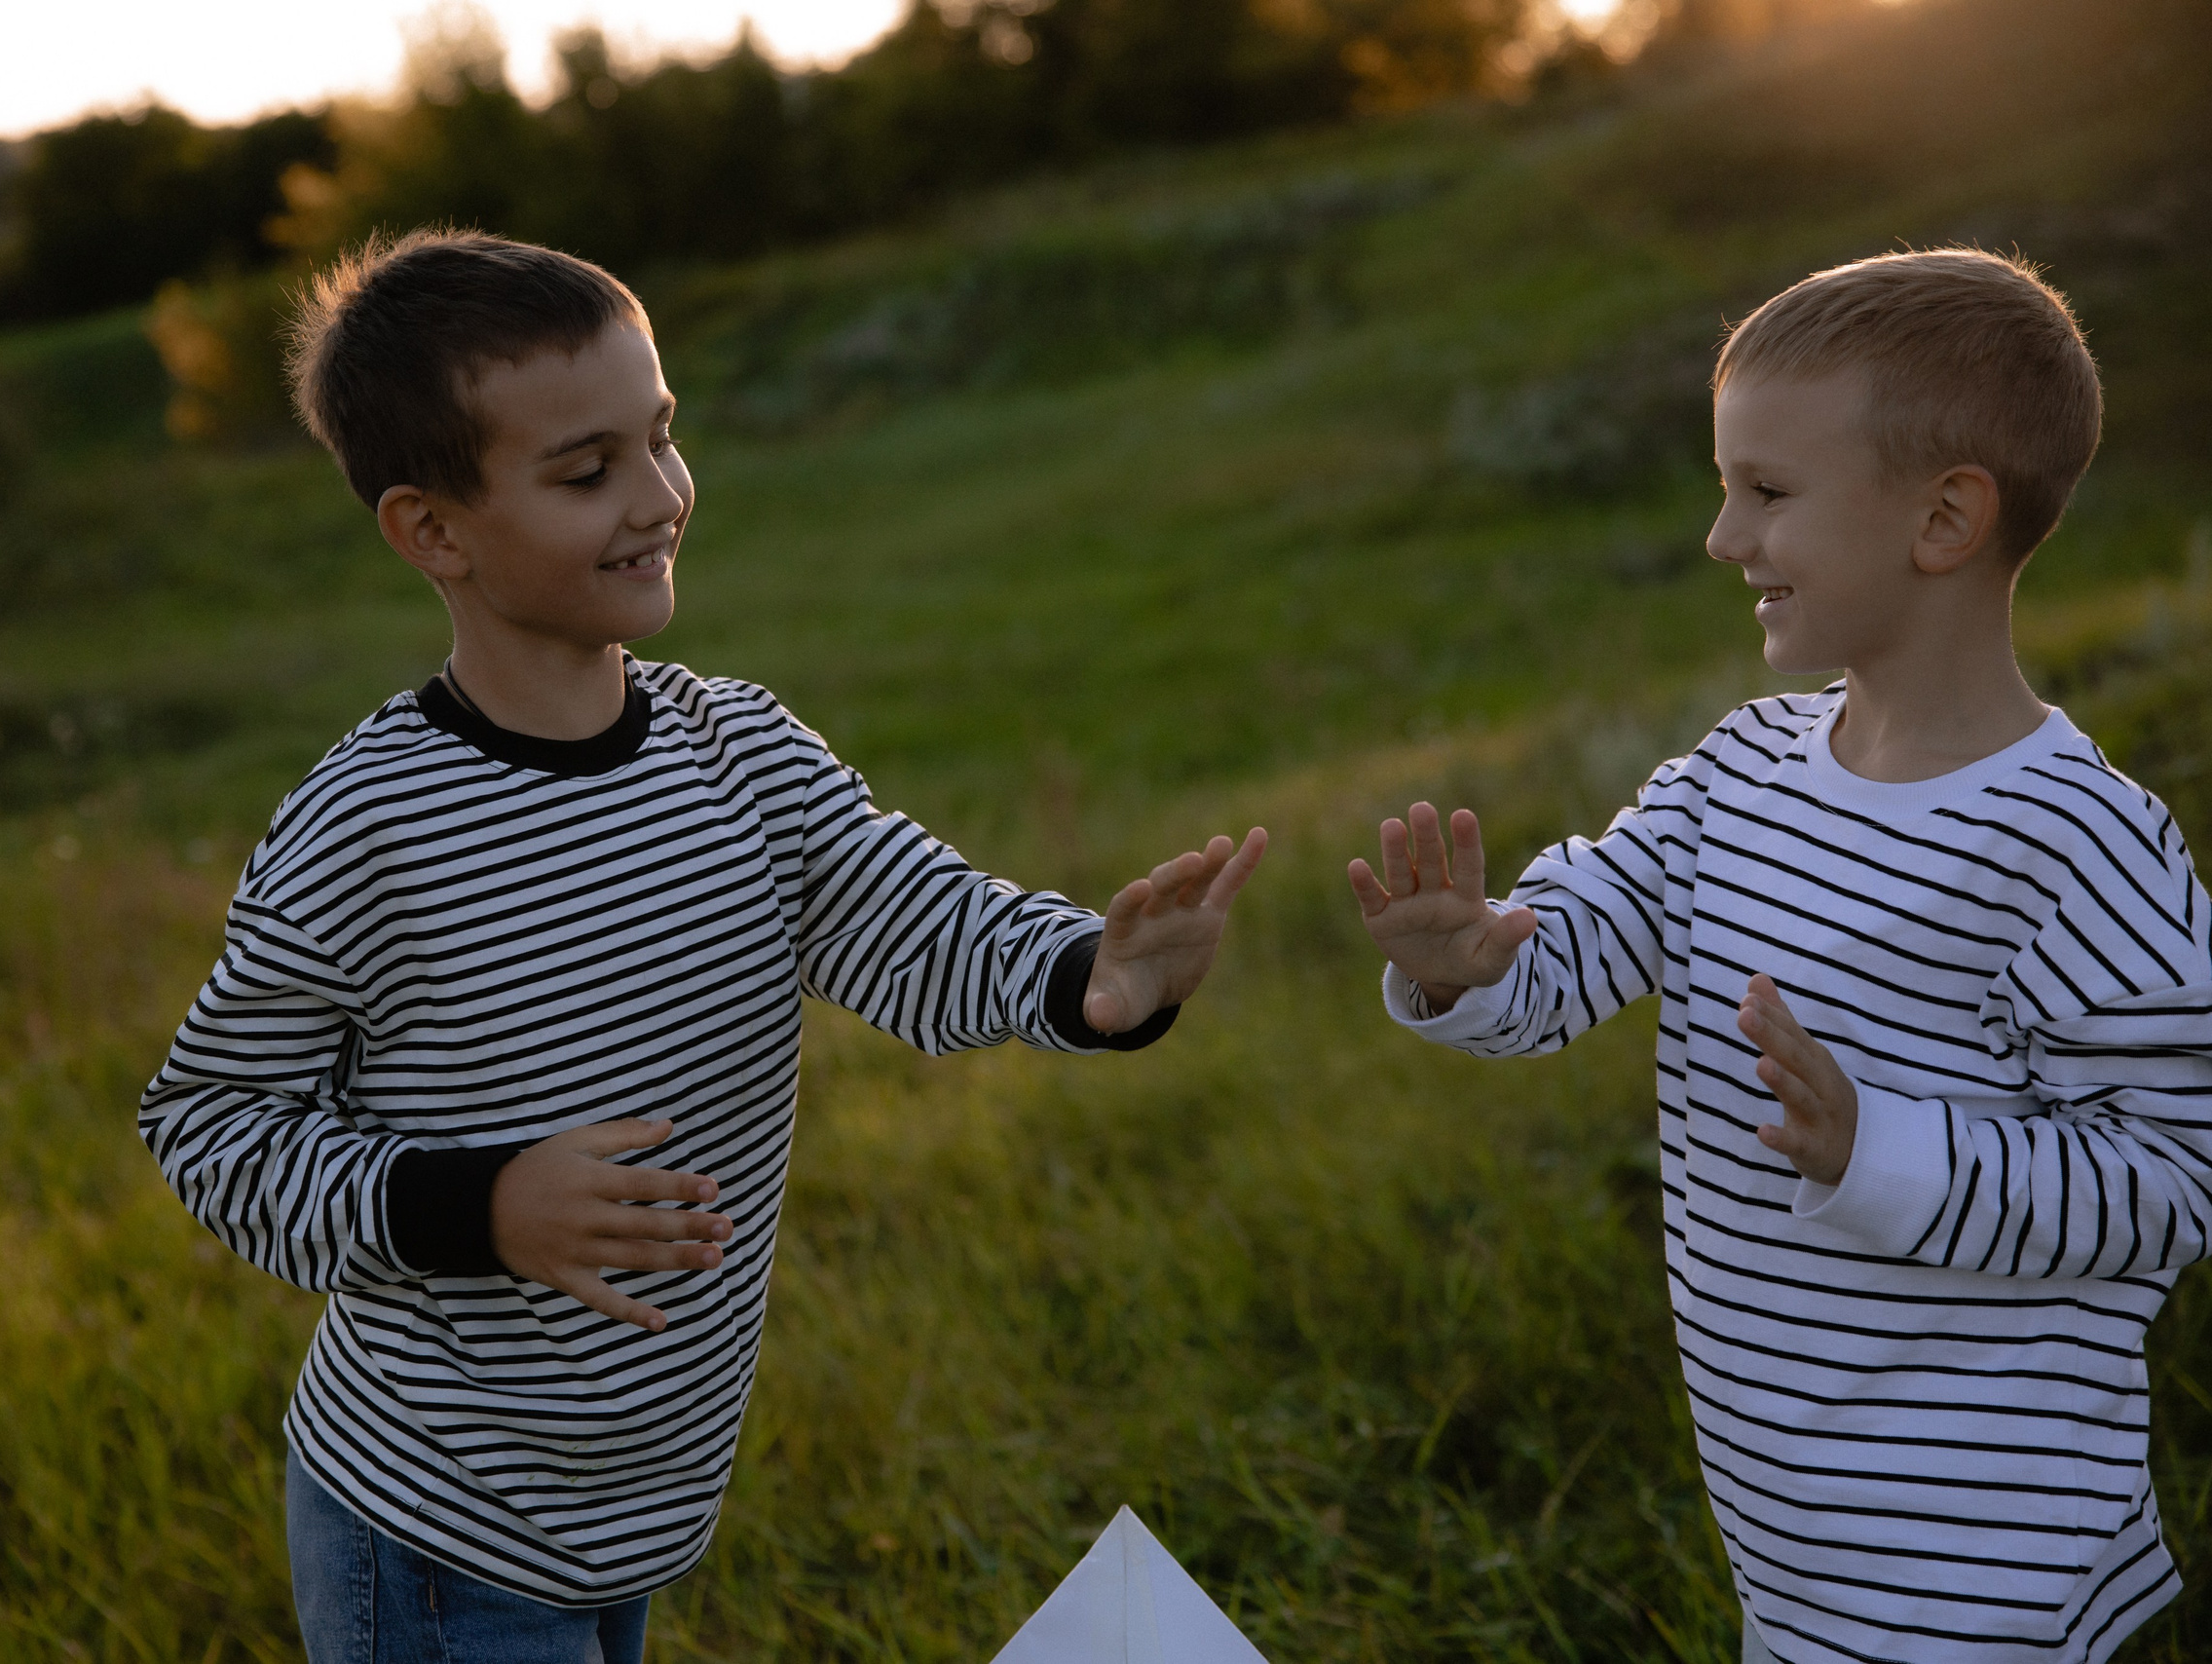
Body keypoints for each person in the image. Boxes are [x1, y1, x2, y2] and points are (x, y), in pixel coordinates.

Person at [138, 228, 1267, 1664]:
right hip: (433, 1530)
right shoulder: (371, 824)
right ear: (435, 531)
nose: (659, 498)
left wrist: (1088, 983)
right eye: (585, 471)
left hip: (635, 1507)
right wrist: (481, 1207)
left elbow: (917, 920)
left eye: (661, 440)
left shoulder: (742, 754)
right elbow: (211, 1128)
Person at [1351, 249, 2212, 1663]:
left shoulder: (2074, 842)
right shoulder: (1736, 773)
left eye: (1766, 493)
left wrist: (1883, 1150)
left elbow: (2174, 1180)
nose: (1721, 538)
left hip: (1982, 1561)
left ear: (1945, 518)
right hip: (1793, 1530)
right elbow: (1575, 951)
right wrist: (1477, 962)